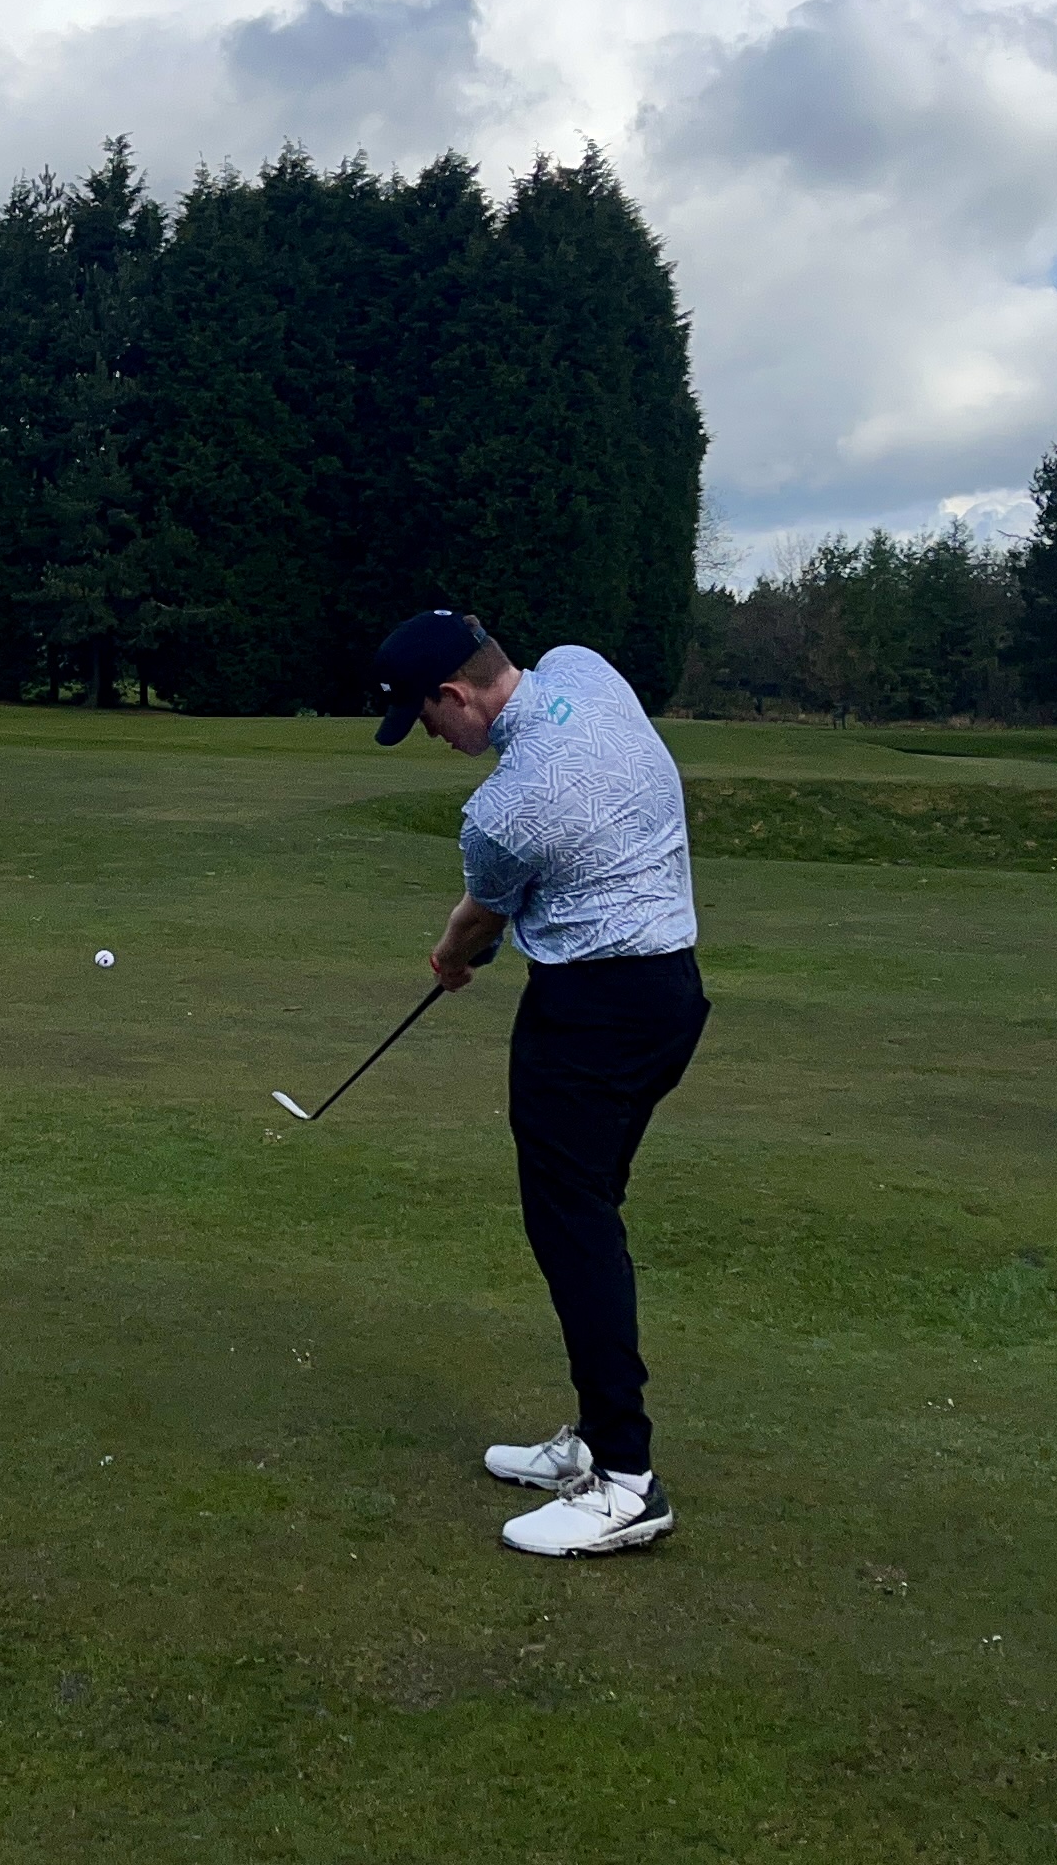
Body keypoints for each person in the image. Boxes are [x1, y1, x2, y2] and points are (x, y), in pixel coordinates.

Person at [369, 608, 707, 1557]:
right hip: (671, 996)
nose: (432, 738)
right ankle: (597, 1440)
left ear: (455, 694)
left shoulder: (504, 810)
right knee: (590, 1214)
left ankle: (625, 1479)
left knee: (573, 1231)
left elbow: (480, 919)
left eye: (425, 718)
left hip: (590, 1017)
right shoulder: (584, 667)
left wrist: (449, 959)